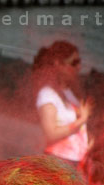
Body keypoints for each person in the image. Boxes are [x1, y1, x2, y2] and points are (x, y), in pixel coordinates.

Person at [33, 41, 90, 169]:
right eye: (74, 63)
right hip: (58, 163)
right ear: (58, 64)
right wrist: (81, 121)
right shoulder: (47, 94)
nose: (79, 67)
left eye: (79, 62)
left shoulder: (69, 93)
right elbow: (51, 134)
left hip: (74, 162)